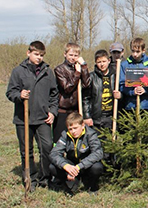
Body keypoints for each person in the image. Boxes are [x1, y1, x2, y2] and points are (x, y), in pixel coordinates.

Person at [6, 41, 59, 191]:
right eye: (36, 54)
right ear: (28, 53)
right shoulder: (18, 72)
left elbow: (54, 95)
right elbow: (10, 92)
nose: (39, 58)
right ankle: (30, 178)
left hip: (42, 118)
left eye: (41, 55)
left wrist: (53, 111)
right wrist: (19, 95)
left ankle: (45, 177)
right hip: (23, 119)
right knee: (26, 150)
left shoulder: (48, 72)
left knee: (47, 147)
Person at [49, 112, 103, 195]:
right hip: (71, 165)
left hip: (86, 166)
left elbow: (98, 153)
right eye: (70, 129)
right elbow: (54, 153)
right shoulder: (65, 135)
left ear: (82, 125)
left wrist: (79, 167)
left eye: (75, 128)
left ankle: (92, 186)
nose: (73, 131)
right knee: (52, 167)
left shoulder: (91, 134)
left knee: (97, 167)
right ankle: (69, 183)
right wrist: (66, 166)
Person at [54, 42, 91, 144]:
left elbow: (87, 84)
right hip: (63, 110)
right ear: (65, 54)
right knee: (60, 139)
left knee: (75, 139)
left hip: (76, 109)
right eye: (70, 55)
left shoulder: (79, 67)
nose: (73, 58)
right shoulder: (59, 69)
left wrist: (84, 67)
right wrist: (77, 73)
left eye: (76, 55)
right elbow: (67, 88)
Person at [83, 49, 121, 131]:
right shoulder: (91, 77)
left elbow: (123, 94)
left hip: (112, 118)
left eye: (104, 61)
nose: (102, 64)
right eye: (99, 62)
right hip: (97, 119)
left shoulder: (115, 76)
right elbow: (86, 98)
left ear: (109, 61)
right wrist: (87, 116)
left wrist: (120, 95)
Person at [119, 37, 148, 112]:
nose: (135, 54)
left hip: (146, 106)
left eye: (137, 51)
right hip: (130, 106)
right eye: (133, 51)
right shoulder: (125, 65)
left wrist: (145, 90)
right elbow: (121, 85)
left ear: (143, 50)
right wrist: (132, 92)